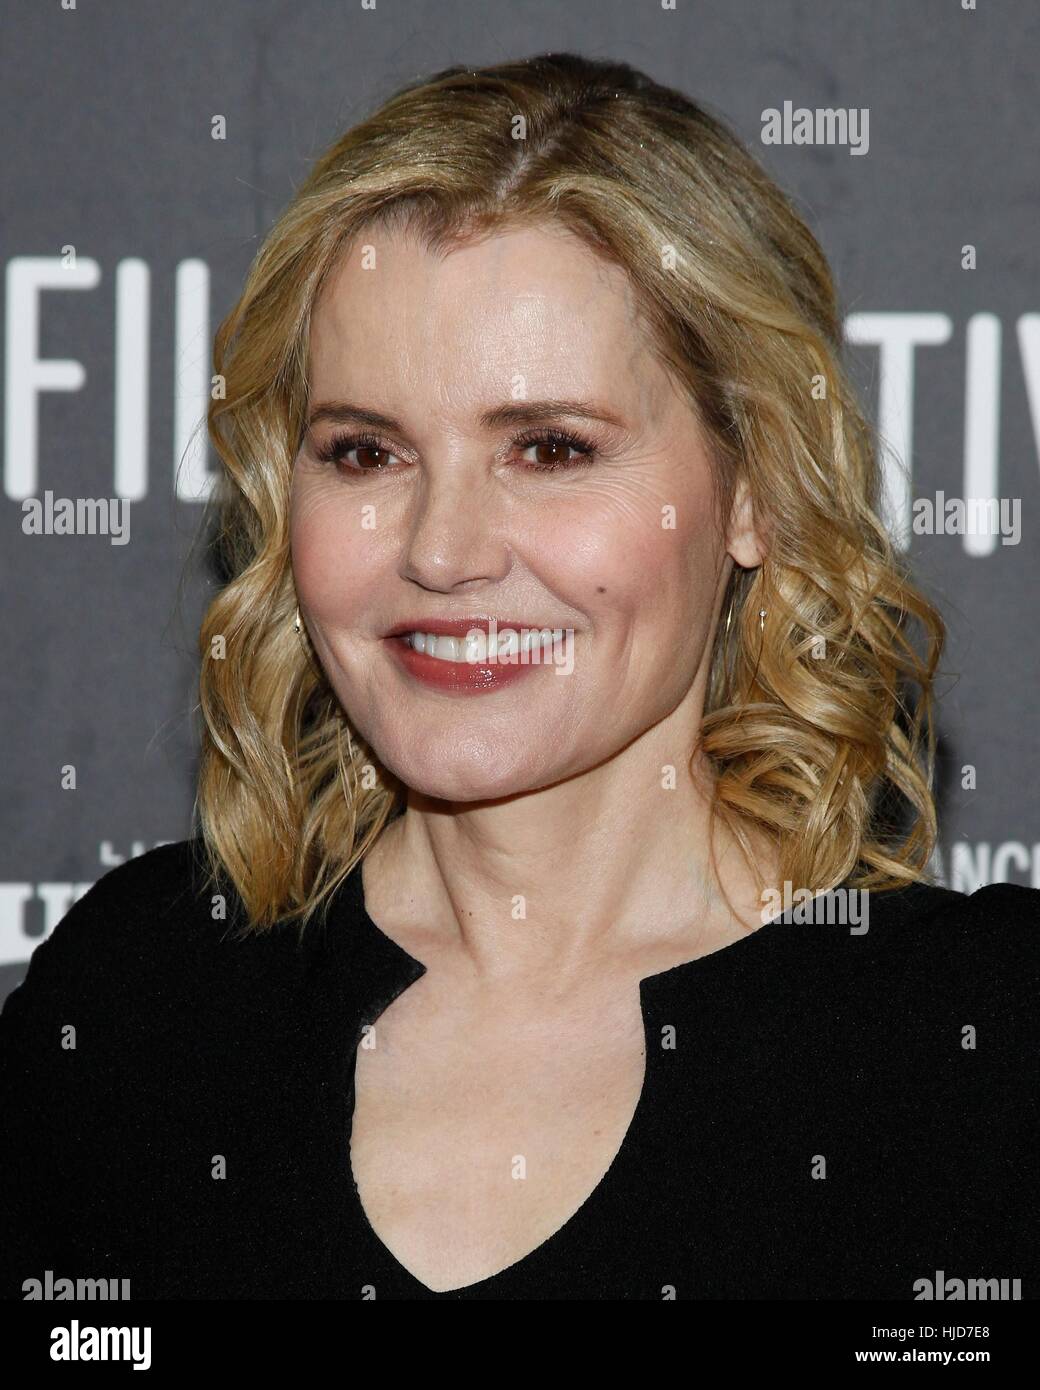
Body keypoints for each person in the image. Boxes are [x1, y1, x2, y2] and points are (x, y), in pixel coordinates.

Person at [2, 53, 1036, 1301]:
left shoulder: (980, 1049)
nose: (441, 551)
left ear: (755, 487)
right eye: (366, 451)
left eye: (549, 448)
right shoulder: (137, 1000)